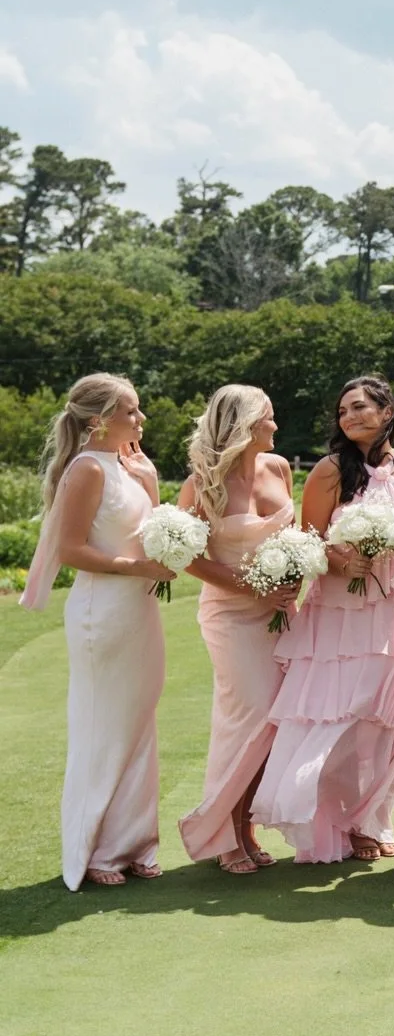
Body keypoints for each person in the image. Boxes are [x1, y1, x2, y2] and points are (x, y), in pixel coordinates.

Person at [252, 376, 394, 864]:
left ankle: (374, 818)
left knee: (390, 720)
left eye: (360, 407)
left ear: (387, 410)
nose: (350, 417)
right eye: (344, 411)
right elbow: (310, 542)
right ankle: (337, 819)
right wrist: (344, 563)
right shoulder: (330, 471)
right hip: (340, 616)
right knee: (343, 719)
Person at [22, 374, 171, 889]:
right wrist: (137, 568)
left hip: (139, 610)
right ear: (97, 420)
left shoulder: (129, 467)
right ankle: (98, 849)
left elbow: (153, 529)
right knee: (104, 727)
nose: (141, 420)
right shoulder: (86, 469)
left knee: (139, 722)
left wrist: (149, 481)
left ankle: (136, 844)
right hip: (102, 611)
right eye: (131, 411)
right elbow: (71, 550)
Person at [176, 386, 299, 873]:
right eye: (268, 417)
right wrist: (254, 589)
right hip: (230, 616)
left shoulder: (281, 469)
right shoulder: (203, 483)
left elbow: (293, 539)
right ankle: (222, 834)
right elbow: (186, 556)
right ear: (246, 424)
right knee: (245, 718)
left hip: (282, 615)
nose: (275, 425)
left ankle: (245, 826)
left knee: (274, 722)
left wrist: (294, 573)